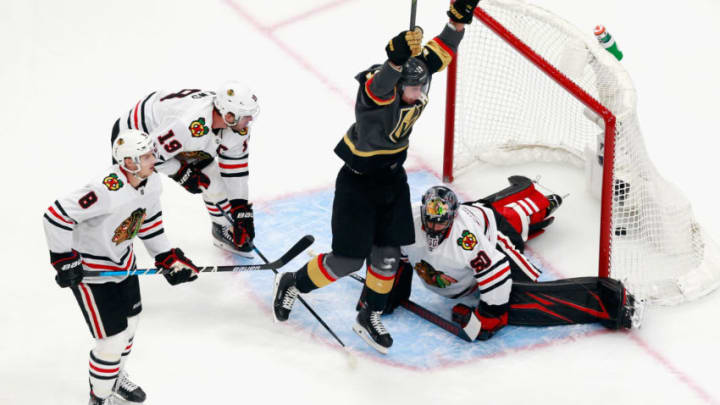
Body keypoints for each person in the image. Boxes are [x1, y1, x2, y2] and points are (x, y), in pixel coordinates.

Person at [271, 0, 481, 354]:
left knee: (388, 254)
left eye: (421, 89)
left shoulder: (415, 83)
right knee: (348, 260)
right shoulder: (378, 99)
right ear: (398, 87)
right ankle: (293, 282)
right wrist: (395, 60)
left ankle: (370, 313)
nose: (419, 95)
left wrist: (456, 23)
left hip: (392, 180)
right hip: (358, 184)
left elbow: (440, 53)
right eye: (412, 89)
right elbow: (377, 85)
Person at [44, 130, 201, 404]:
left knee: (129, 328)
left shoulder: (151, 183)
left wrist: (167, 258)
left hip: (124, 264)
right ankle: (100, 397)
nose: (154, 159)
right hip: (94, 274)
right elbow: (55, 216)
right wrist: (63, 259)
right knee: (111, 342)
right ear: (129, 162)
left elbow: (149, 223)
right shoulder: (105, 189)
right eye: (147, 155)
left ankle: (114, 378)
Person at [378, 178, 636, 342]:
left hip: (495, 235)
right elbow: (394, 254)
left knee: (521, 294)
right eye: (430, 217)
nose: (434, 225)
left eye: (442, 219)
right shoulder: (407, 222)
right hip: (481, 214)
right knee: (493, 213)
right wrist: (384, 293)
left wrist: (490, 315)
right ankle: (530, 197)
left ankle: (610, 300)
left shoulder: (466, 239)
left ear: (453, 217)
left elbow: (497, 273)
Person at [111, 81, 260, 257]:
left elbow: (236, 168)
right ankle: (107, 239)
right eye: (245, 115)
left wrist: (240, 209)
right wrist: (180, 172)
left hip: (182, 141)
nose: (250, 120)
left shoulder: (237, 128)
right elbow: (151, 154)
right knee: (137, 198)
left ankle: (222, 229)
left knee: (213, 182)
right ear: (228, 116)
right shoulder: (187, 124)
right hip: (137, 139)